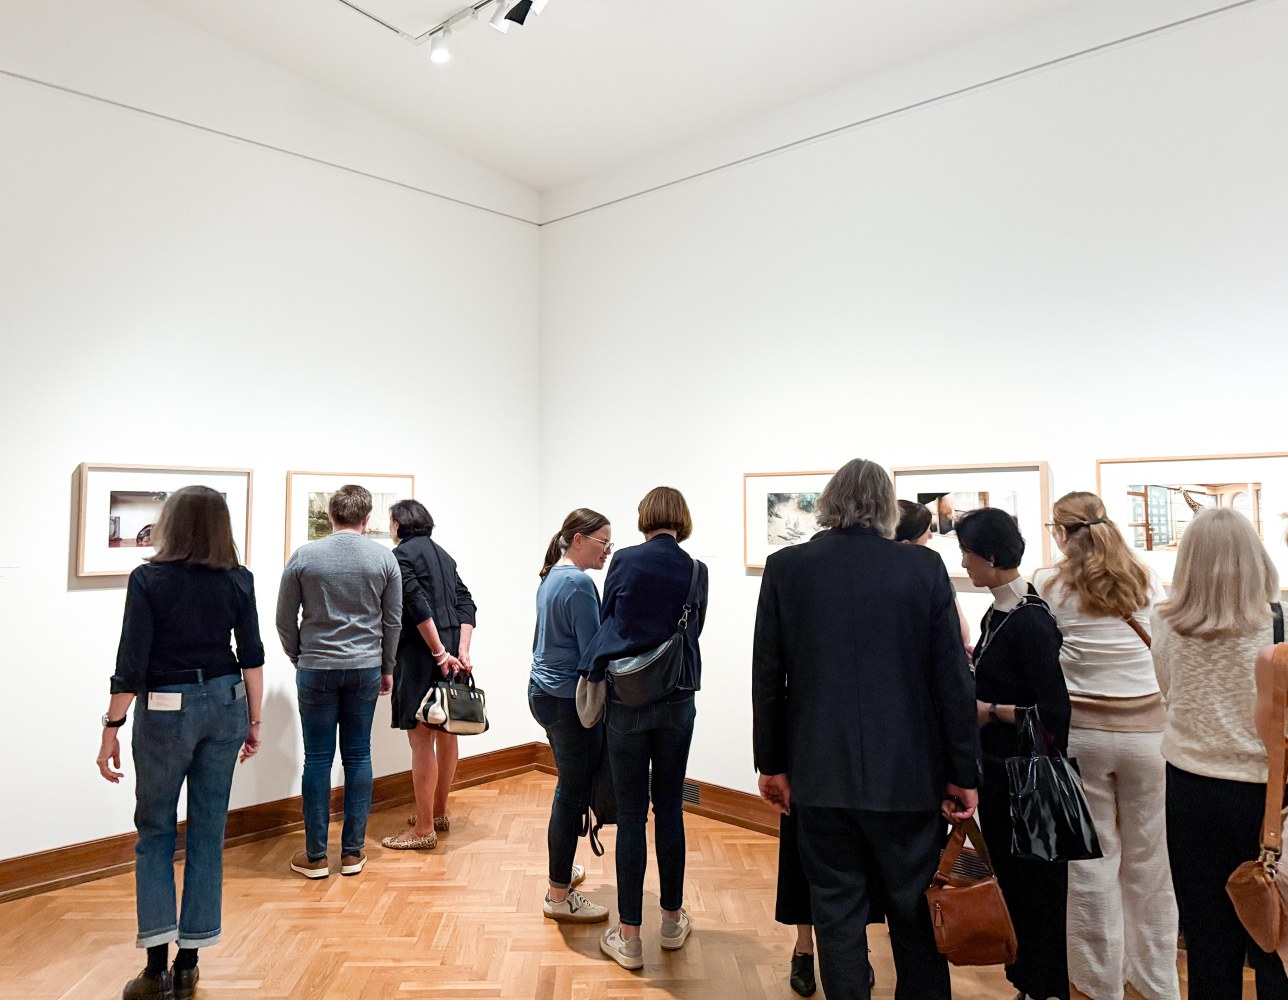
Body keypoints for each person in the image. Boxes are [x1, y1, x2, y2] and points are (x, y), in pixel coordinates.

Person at [753, 458, 980, 1000]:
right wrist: (962, 771)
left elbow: (768, 677)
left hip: (819, 770)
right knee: (914, 914)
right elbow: (951, 680)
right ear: (884, 508)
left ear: (830, 504)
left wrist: (772, 764)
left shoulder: (787, 567)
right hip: (907, 773)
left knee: (836, 913)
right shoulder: (921, 569)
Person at [96, 486, 264, 1000]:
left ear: (171, 523)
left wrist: (111, 727)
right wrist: (255, 719)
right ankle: (189, 963)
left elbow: (132, 662)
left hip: (167, 707)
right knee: (209, 831)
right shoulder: (238, 579)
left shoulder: (149, 579)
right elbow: (252, 654)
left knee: (155, 831)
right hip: (228, 700)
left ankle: (154, 968)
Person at [1032, 492, 1180, 1000]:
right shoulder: (1145, 578)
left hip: (1084, 735)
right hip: (1149, 734)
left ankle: (1099, 985)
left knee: (1091, 863)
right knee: (1151, 864)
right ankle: (1157, 981)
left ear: (1060, 531)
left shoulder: (1047, 581)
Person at [1152, 508, 1288, 998]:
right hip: (1265, 796)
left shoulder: (1165, 623)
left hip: (1189, 789)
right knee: (1275, 933)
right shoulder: (1278, 625)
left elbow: (1167, 689)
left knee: (1208, 939)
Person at [580, 486, 709, 970]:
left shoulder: (627, 561)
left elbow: (611, 617)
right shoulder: (698, 570)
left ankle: (630, 938)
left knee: (632, 814)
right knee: (670, 807)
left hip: (628, 700)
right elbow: (693, 633)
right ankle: (673, 921)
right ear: (682, 518)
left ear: (646, 517)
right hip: (678, 699)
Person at [957, 507, 1070, 1000]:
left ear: (992, 557)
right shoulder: (998, 612)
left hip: (1030, 780)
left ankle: (1043, 986)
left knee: (1037, 892)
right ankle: (1027, 982)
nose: (963, 564)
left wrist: (990, 711)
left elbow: (1054, 714)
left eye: (968, 554)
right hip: (1003, 774)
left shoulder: (1031, 621)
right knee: (1015, 884)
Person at [276, 484, 402, 879]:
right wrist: (387, 666)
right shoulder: (383, 558)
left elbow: (284, 618)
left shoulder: (305, 556)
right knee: (358, 755)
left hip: (316, 667)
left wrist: (299, 655)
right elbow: (392, 620)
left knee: (317, 758)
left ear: (331, 516)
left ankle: (315, 857)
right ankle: (351, 853)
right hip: (365, 667)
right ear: (367, 519)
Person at [528, 508, 614, 924]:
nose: (608, 552)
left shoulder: (552, 576)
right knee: (571, 794)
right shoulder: (578, 583)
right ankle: (558, 895)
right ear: (577, 540)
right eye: (603, 543)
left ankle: (561, 871)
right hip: (567, 701)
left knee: (568, 787)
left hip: (544, 694)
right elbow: (592, 652)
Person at [382, 499, 477, 850]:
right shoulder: (443, 555)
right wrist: (461, 651)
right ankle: (437, 811)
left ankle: (423, 829)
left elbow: (416, 605)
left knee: (421, 738)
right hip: (451, 650)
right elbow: (467, 602)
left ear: (398, 524)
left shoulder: (400, 556)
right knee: (446, 731)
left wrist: (439, 654)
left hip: (423, 653)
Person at [897, 498, 973, 654]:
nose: (930, 536)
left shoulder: (868, 578)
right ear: (906, 546)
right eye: (926, 530)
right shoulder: (930, 576)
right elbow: (962, 635)